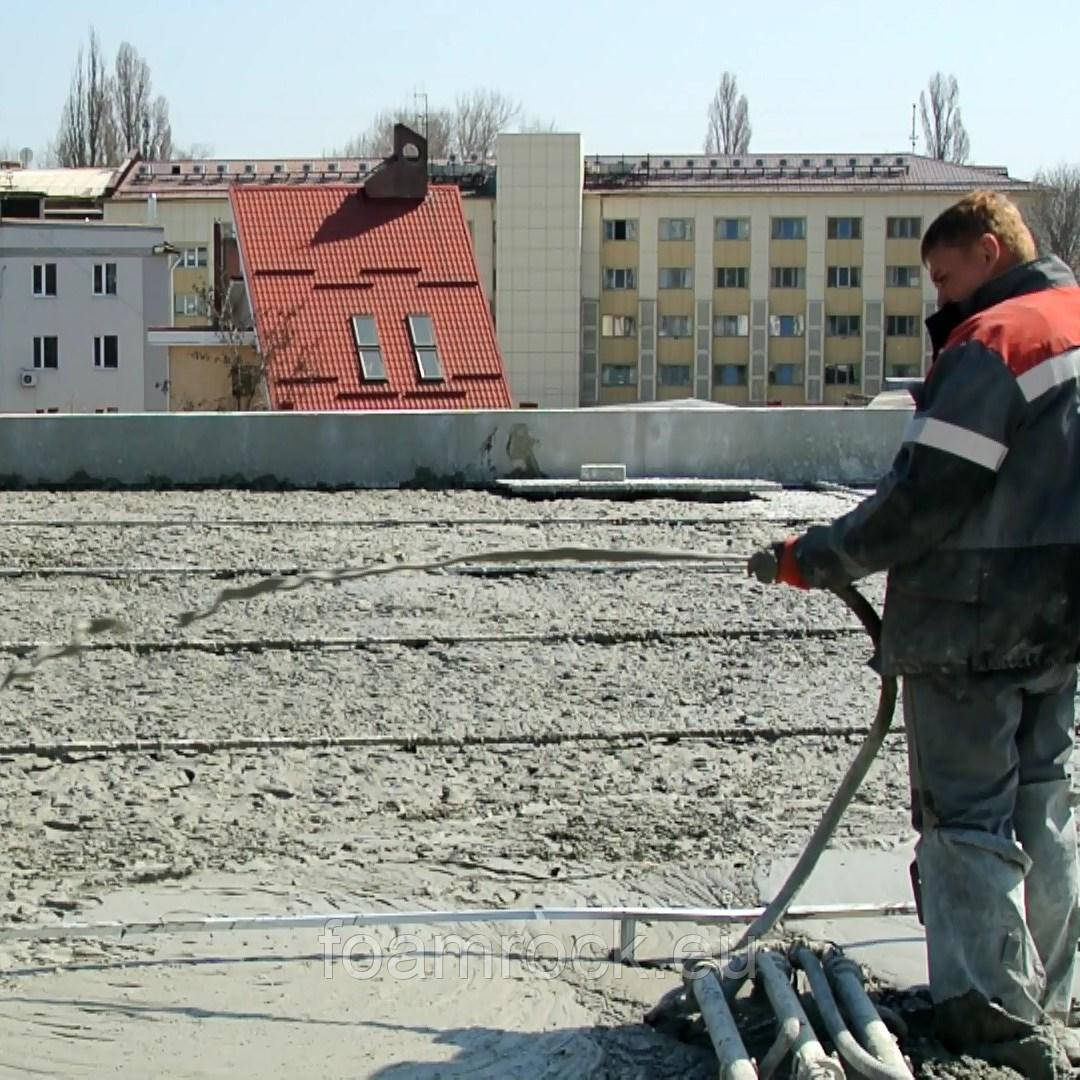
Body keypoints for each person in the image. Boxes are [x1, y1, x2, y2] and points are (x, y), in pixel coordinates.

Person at [753, 191, 1080, 1075]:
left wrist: (813, 557)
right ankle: (1056, 993)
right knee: (1044, 801)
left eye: (944, 275)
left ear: (987, 249)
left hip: (974, 625)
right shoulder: (1079, 323)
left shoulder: (999, 343)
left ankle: (989, 1018)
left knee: (967, 816)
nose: (940, 299)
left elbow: (922, 498)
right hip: (1061, 620)